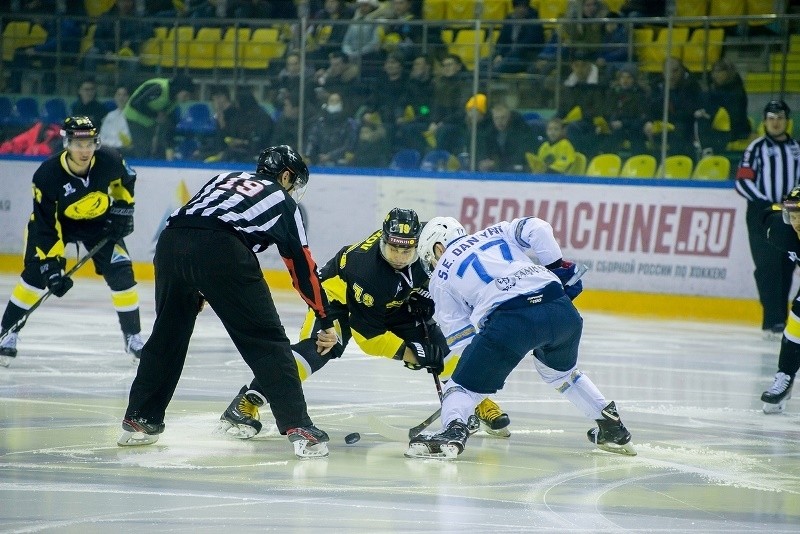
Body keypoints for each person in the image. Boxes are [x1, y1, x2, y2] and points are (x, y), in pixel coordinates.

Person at [118, 145, 337, 459]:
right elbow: (302, 266)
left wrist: (199, 284)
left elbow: (198, 222)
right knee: (267, 340)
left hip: (171, 244)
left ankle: (140, 418)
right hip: (223, 250)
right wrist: (324, 316)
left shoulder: (224, 177)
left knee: (168, 336)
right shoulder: (282, 199)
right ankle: (298, 426)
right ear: (286, 175)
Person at [217, 208, 512, 440]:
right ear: (383, 240)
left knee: (443, 347)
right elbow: (369, 337)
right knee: (319, 350)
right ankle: (248, 400)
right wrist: (414, 354)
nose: (399, 256)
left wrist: (426, 301)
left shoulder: (425, 253)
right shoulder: (368, 272)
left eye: (406, 250)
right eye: (393, 248)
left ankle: (475, 401)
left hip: (393, 303)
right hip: (338, 301)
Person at [405, 216, 636, 459]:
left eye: (431, 257)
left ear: (438, 247)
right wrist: (555, 266)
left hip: (510, 321)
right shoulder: (496, 231)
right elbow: (538, 227)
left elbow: (460, 337)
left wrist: (476, 376)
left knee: (460, 387)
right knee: (561, 374)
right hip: (561, 309)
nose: (432, 264)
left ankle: (452, 430)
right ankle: (610, 424)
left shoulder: (441, 275)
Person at [0, 116, 143, 366]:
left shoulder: (109, 159)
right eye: (79, 145)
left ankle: (133, 336)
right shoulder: (47, 175)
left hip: (98, 223)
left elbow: (126, 179)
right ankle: (8, 332)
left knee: (122, 274)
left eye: (90, 144)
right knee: (35, 276)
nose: (85, 150)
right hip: (57, 226)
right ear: (67, 144)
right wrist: (52, 267)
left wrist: (124, 207)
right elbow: (46, 225)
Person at [735, 100, 800, 340]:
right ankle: (773, 320)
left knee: (786, 266)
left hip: (791, 215)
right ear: (764, 121)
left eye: (780, 118)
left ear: (787, 121)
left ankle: (780, 320)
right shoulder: (755, 148)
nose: (775, 122)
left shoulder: (797, 149)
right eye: (771, 118)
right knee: (767, 266)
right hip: (762, 214)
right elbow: (742, 181)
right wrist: (765, 202)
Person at [759, 186, 800, 413]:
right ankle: (784, 378)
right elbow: (767, 214)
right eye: (792, 216)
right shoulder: (782, 230)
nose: (796, 222)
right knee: (796, 322)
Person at [123, 74, 195, 159]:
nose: (186, 99)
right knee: (143, 149)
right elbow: (135, 103)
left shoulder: (174, 99)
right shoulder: (159, 88)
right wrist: (156, 115)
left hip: (149, 120)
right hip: (134, 117)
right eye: (185, 95)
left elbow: (165, 118)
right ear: (178, 89)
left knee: (155, 148)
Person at [99, 85, 133, 154]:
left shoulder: (133, 117)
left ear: (129, 97)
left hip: (125, 153)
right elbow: (102, 136)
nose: (121, 98)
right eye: (119, 94)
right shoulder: (110, 115)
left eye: (124, 95)